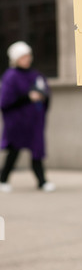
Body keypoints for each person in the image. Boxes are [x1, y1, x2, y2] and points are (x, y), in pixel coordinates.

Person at [0, 41, 55, 192]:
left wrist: (43, 97)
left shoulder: (36, 75)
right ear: (16, 59)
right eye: (23, 56)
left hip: (34, 122)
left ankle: (42, 181)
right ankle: (3, 179)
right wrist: (28, 97)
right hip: (17, 122)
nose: (27, 59)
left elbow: (46, 93)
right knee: (14, 152)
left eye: (28, 56)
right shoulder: (10, 76)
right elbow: (5, 102)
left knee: (37, 151)